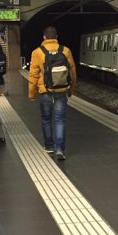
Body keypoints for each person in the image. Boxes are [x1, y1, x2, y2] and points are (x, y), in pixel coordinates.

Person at [28, 26, 77, 161]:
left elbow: (33, 75)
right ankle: (60, 149)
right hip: (62, 90)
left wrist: (32, 94)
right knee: (60, 120)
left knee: (46, 119)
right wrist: (71, 89)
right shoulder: (65, 51)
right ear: (56, 37)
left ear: (44, 37)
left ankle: (49, 146)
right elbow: (72, 72)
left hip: (45, 91)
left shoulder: (37, 52)